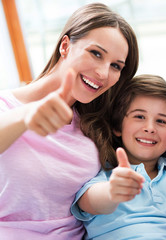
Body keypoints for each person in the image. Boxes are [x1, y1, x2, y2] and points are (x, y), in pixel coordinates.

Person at [0, 3, 139, 239]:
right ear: (65, 46)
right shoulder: (7, 107)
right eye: (96, 53)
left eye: (116, 66)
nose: (104, 74)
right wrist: (27, 115)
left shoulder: (95, 125)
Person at [71, 74, 166, 240]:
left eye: (161, 121)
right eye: (139, 117)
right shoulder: (104, 172)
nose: (150, 128)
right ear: (118, 126)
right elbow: (89, 202)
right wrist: (112, 191)